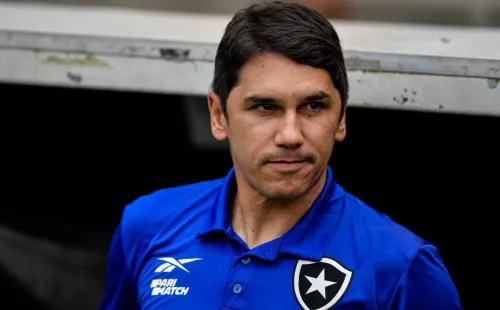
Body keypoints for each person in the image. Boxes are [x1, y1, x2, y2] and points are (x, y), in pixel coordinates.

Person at [98, 2, 462, 309]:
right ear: (218, 115)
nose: (291, 135)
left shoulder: (401, 265)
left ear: (342, 117)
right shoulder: (146, 225)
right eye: (265, 107)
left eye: (313, 106)